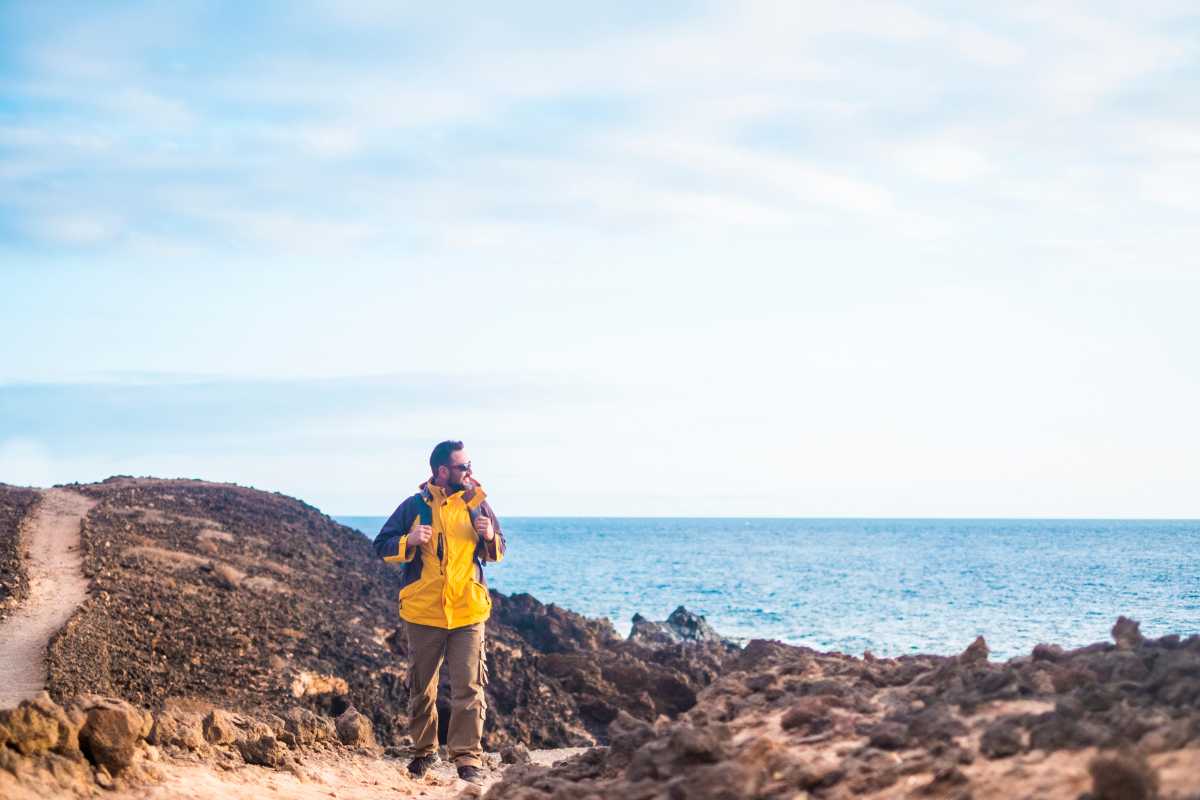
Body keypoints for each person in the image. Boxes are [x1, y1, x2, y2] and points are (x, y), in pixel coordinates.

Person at [372, 440, 505, 785]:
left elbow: (498, 551)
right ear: (442, 471)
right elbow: (381, 546)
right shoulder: (413, 506)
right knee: (422, 687)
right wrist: (409, 541)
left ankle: (467, 759)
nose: (470, 473)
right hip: (423, 611)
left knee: (469, 687)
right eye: (464, 467)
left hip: (468, 612)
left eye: (470, 466)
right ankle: (424, 752)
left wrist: (490, 535)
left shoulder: (478, 505)